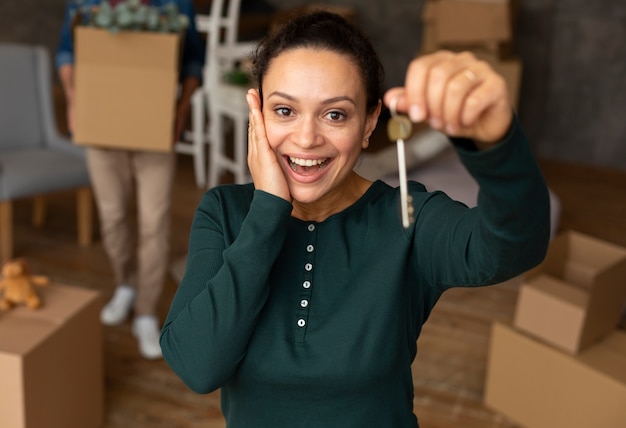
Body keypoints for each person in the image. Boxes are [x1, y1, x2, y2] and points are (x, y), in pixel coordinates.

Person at [160, 10, 550, 427]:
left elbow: (515, 246)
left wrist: (497, 142)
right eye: (285, 111)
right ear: (257, 114)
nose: (307, 138)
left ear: (368, 124)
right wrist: (269, 207)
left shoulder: (408, 220)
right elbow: (196, 367)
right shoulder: (224, 212)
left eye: (335, 114)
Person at [56, 0, 205, 360]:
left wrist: (181, 109)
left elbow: (192, 62)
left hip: (154, 129)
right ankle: (125, 283)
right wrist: (75, 100)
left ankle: (146, 311)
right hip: (102, 129)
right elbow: (66, 51)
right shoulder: (84, 4)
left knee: (154, 223)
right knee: (112, 216)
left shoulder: (175, 5)